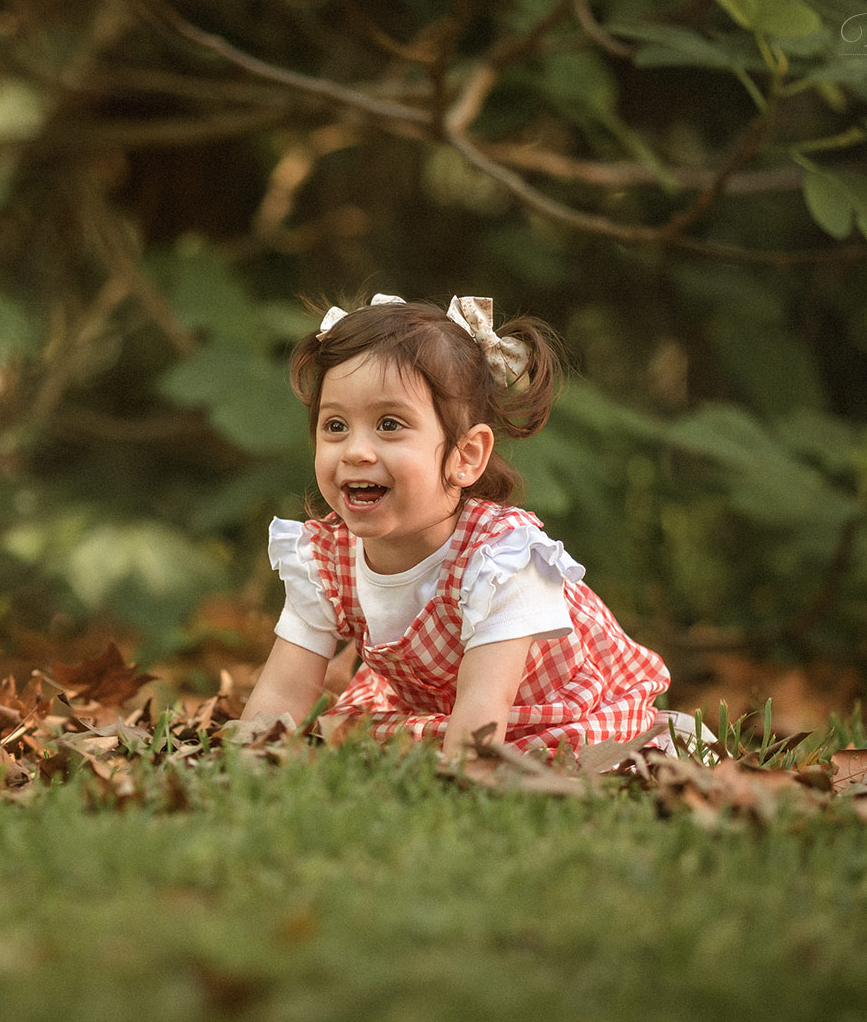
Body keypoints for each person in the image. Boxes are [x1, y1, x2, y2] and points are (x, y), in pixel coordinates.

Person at [242, 293, 674, 755]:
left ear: (466, 456)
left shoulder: (501, 560)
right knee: (353, 738)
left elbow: (482, 713)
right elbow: (282, 696)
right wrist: (244, 760)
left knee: (539, 758)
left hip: (538, 717)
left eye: (389, 424)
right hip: (436, 715)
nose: (354, 451)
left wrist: (457, 779)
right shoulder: (326, 559)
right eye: (335, 426)